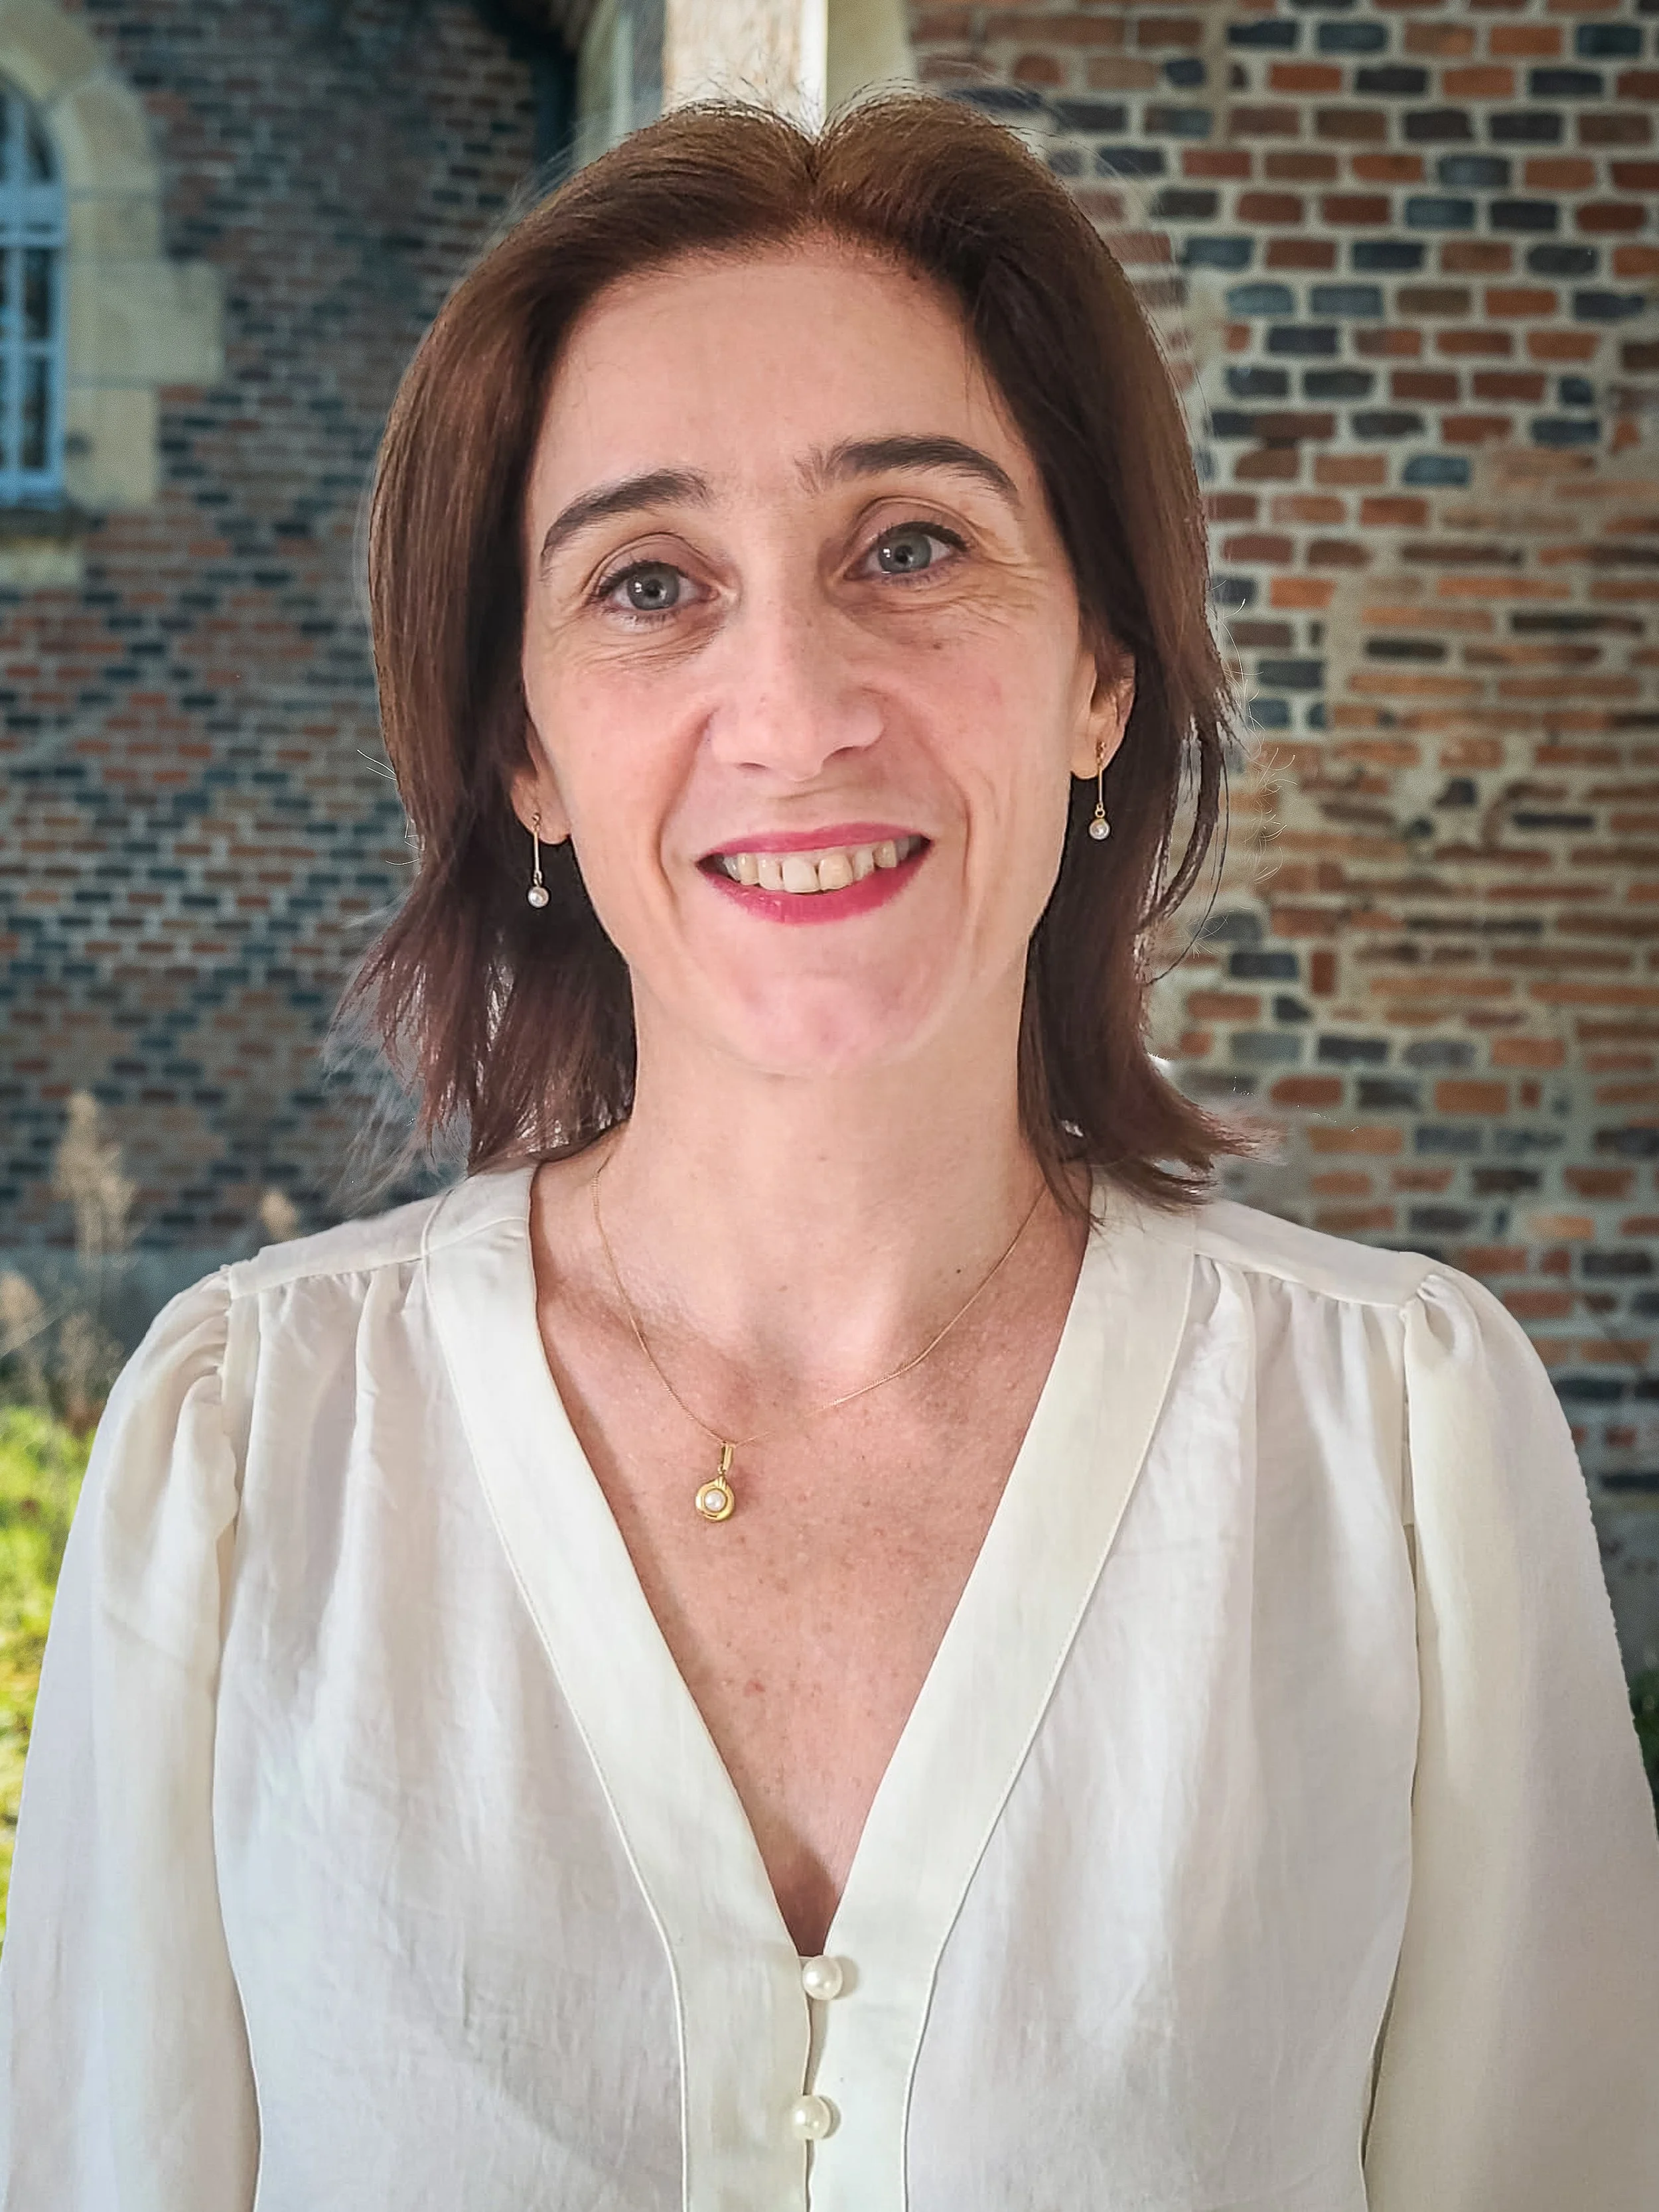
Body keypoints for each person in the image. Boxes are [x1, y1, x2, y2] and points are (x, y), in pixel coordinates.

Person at [2, 88, 1656, 2212]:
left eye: (909, 547)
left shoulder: (1393, 1450)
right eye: (651, 579)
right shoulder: (250, 1457)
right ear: (524, 747)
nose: (791, 704)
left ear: (1098, 677)